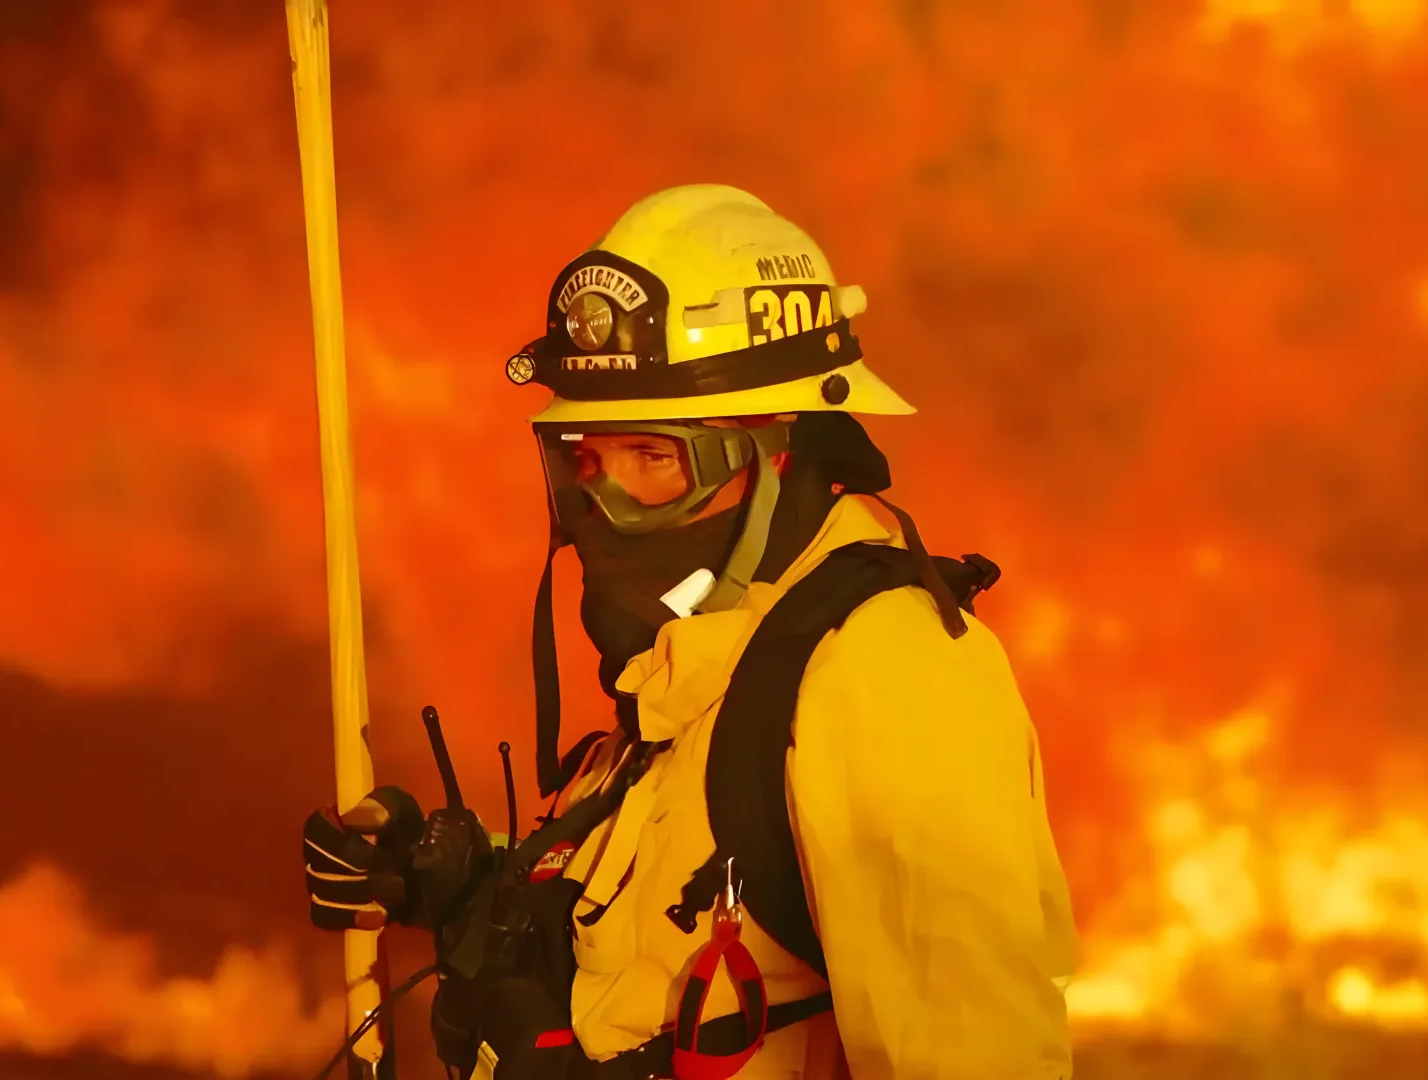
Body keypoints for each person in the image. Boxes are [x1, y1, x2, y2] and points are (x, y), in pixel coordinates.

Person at [304, 185, 1078, 1079]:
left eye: (655, 456)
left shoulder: (880, 674)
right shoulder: (698, 662)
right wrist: (466, 889)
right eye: (586, 461)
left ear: (779, 449)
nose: (606, 503)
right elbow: (649, 949)